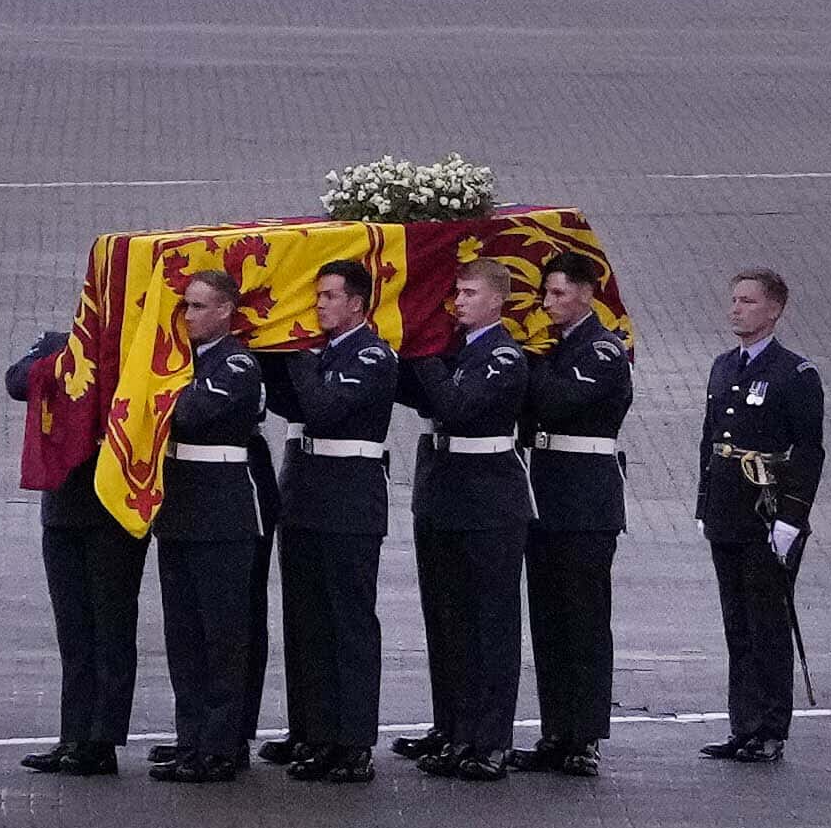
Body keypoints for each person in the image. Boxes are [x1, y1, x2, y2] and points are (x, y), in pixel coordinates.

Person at [397, 250, 539, 780]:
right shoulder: (454, 350)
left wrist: (424, 351)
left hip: (489, 502)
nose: (458, 302)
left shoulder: (504, 356)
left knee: (490, 624)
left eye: (469, 293)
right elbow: (410, 392)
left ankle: (490, 741)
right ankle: (455, 729)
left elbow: (457, 407)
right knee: (448, 619)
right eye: (455, 293)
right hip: (442, 495)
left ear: (498, 300)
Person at [259, 248, 398, 781]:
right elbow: (289, 405)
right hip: (308, 499)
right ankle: (315, 733)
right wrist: (273, 350)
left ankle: (354, 742)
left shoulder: (371, 357)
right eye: (314, 296)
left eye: (327, 297)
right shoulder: (325, 355)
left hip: (350, 504)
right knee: (307, 623)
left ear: (357, 304)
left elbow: (321, 407)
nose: (317, 305)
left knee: (349, 624)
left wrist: (294, 351)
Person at [141, 260, 276, 782]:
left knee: (223, 636)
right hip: (179, 510)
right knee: (184, 636)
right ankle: (191, 738)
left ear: (225, 311)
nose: (188, 315)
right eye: (185, 306)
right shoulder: (179, 359)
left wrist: (156, 390)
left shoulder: (237, 365)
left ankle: (221, 745)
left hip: (224, 513)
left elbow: (189, 413)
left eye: (198, 306)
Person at [695, 268, 824, 762]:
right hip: (728, 510)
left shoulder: (795, 374)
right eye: (734, 300)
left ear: (773, 311)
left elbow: (809, 451)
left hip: (768, 515)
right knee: (737, 623)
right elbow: (712, 442)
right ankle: (742, 724)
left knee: (767, 622)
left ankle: (770, 727)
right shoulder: (723, 367)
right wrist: (704, 504)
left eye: (748, 301)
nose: (736, 309)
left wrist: (791, 519)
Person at [9, 301, 140, 777]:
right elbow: (16, 380)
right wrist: (66, 359)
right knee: (73, 631)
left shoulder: (133, 351)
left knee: (110, 628)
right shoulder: (59, 344)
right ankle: (73, 734)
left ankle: (101, 739)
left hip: (113, 507)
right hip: (63, 505)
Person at [522, 262, 639, 773]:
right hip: (546, 495)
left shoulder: (602, 350)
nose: (548, 302)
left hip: (587, 502)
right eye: (546, 293)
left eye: (559, 293)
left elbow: (557, 401)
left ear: (589, 295)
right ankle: (556, 730)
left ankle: (585, 735)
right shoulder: (559, 348)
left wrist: (528, 362)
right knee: (549, 620)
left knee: (585, 620)